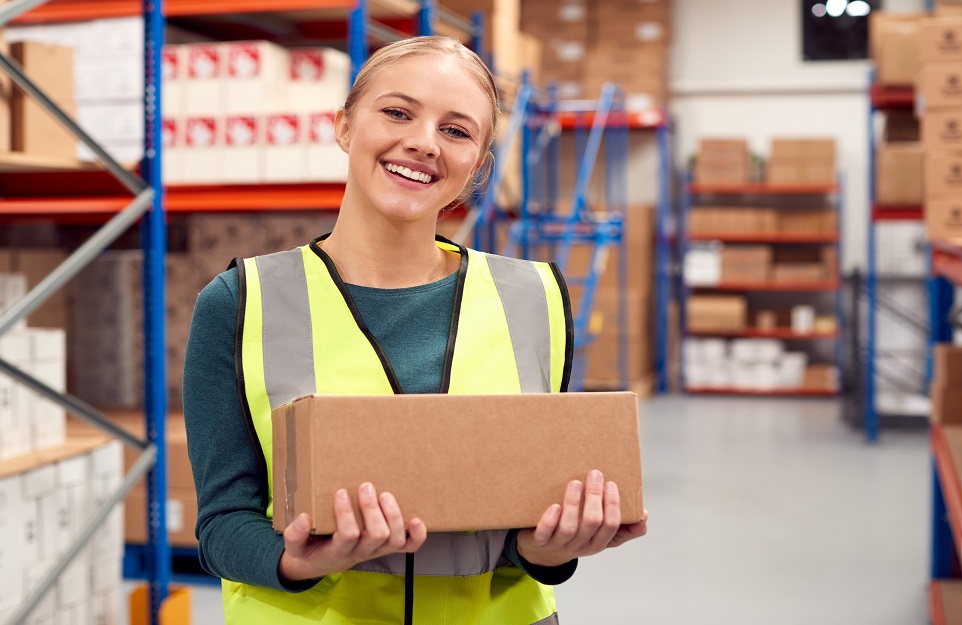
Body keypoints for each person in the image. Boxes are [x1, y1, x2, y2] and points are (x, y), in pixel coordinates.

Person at [183, 35, 648, 625]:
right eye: (398, 112)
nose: (423, 143)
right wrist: (300, 560)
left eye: (456, 131)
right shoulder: (242, 303)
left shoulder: (534, 300)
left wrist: (550, 549)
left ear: (478, 166)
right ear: (345, 127)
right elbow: (222, 523)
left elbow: (523, 519)